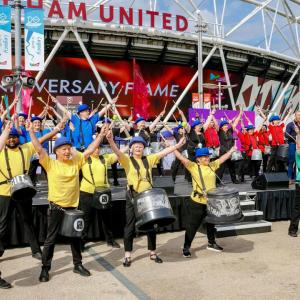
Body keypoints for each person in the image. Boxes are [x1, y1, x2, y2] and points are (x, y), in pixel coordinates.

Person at [28, 122, 105, 282]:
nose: (67, 151)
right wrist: (31, 132)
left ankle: (78, 265)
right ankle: (45, 269)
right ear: (56, 151)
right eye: (63, 149)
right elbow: (38, 148)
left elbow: (90, 149)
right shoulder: (50, 164)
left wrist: (101, 135)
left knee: (76, 237)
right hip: (56, 207)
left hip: (73, 208)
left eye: (69, 148)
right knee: (51, 239)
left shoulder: (76, 162)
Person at [106, 131, 185, 267]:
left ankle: (152, 252)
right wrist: (111, 141)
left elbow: (165, 152)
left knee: (151, 224)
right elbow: (117, 152)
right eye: (136, 146)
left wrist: (177, 145)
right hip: (133, 196)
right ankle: (127, 254)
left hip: (148, 196)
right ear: (131, 148)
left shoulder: (149, 159)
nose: (138, 148)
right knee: (129, 226)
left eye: (141, 146)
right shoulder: (126, 160)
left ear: (144, 148)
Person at [173, 146, 236, 257]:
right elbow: (182, 158)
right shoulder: (193, 167)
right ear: (198, 159)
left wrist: (231, 150)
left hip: (211, 201)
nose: (207, 158)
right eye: (204, 157)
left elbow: (222, 158)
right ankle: (186, 247)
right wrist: (172, 147)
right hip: (197, 202)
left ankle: (211, 243)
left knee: (211, 223)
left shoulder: (212, 166)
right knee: (192, 226)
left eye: (207, 156)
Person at [79, 122, 123, 250]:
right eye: (95, 148)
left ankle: (110, 240)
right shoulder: (84, 158)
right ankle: (81, 242)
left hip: (103, 192)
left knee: (106, 218)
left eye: (98, 148)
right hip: (87, 192)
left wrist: (129, 146)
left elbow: (119, 154)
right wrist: (100, 134)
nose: (97, 150)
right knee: (86, 219)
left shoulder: (105, 158)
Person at [216, 110, 242, 184]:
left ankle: (234, 180)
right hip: (223, 152)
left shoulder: (230, 131)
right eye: (224, 125)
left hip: (230, 152)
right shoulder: (220, 132)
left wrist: (240, 114)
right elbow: (216, 125)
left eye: (227, 125)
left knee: (232, 167)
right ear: (221, 127)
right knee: (221, 168)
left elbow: (236, 123)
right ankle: (217, 181)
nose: (226, 126)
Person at [26, 116, 51, 185]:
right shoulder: (28, 133)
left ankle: (52, 187)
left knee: (48, 173)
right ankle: (31, 188)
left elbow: (55, 134)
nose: (37, 124)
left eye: (39, 122)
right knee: (31, 175)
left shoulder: (46, 131)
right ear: (32, 124)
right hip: (33, 157)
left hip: (44, 156)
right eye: (35, 122)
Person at [285, 111, 300, 184]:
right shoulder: (290, 125)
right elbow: (286, 134)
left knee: (298, 162)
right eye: (298, 115)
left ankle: (296, 177)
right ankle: (289, 178)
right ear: (295, 116)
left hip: (299, 145)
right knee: (291, 161)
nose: (299, 116)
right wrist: (296, 136)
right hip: (293, 144)